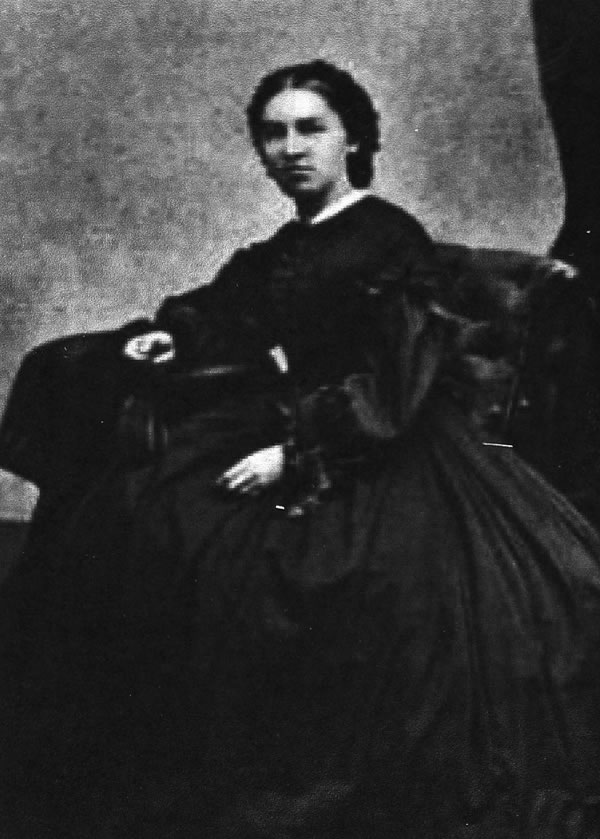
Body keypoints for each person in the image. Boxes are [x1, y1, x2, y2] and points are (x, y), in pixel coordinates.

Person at [2, 59, 600, 838]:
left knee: (295, 570)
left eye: (310, 129)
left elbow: (397, 385)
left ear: (352, 139)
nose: (290, 148)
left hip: (383, 437)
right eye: (273, 133)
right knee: (144, 505)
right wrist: (171, 335)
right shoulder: (290, 242)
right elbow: (229, 306)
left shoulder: (389, 237)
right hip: (292, 414)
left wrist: (297, 453)